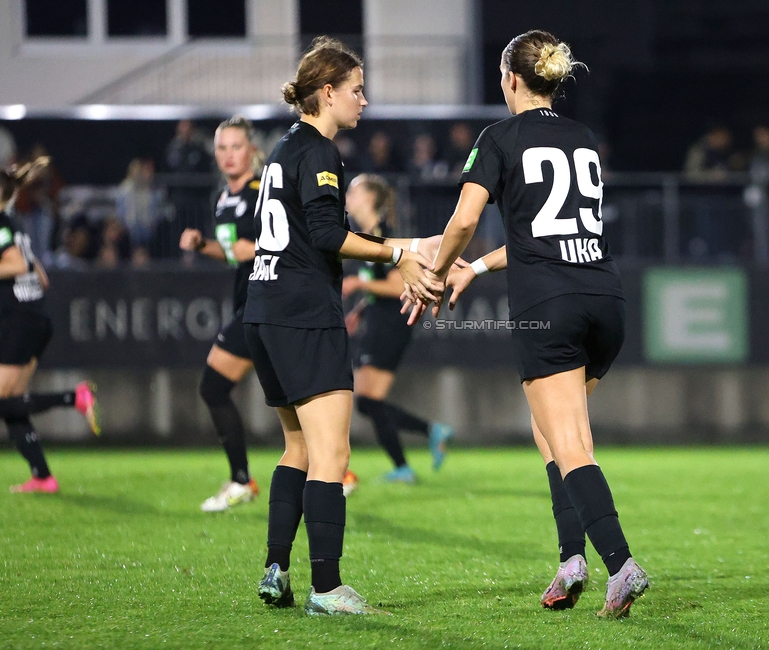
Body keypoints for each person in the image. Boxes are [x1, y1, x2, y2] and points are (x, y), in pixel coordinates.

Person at [403, 30, 648, 618]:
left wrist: (436, 271)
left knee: (569, 442)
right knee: (556, 432)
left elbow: (463, 220)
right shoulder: (582, 137)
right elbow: (545, 231)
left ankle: (621, 565)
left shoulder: (498, 137)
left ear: (510, 77)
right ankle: (571, 559)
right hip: (605, 301)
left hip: (550, 307)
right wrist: (477, 269)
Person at [244, 36, 441, 616]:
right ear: (326, 93)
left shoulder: (283, 149)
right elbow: (330, 237)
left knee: (297, 448)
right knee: (332, 453)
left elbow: (310, 234)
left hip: (263, 310)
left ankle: (276, 570)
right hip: (305, 314)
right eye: (357, 89)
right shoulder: (321, 152)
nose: (364, 100)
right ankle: (326, 589)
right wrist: (398, 257)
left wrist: (404, 245)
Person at [342, 173, 455, 483]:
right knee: (368, 402)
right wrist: (361, 310)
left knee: (367, 401)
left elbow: (396, 285)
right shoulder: (368, 235)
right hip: (380, 320)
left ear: (368, 199)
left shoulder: (386, 236)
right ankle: (427, 436)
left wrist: (357, 283)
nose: (347, 198)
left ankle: (408, 460)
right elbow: (380, 286)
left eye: (352, 192)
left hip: (392, 323)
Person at [178, 116, 264, 512]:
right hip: (247, 300)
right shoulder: (223, 198)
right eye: (222, 148)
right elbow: (234, 252)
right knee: (293, 395)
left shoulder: (263, 190)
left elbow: (272, 242)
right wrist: (202, 245)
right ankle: (335, 470)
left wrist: (254, 246)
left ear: (252, 151)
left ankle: (241, 480)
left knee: (213, 387)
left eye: (236, 146)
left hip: (265, 302)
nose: (229, 155)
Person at [0, 158, 100, 493]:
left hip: (20, 321)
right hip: (32, 318)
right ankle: (42, 476)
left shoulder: (1, 223)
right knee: (12, 403)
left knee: (5, 400)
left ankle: (74, 397)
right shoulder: (12, 223)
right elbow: (40, 276)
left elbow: (15, 264)